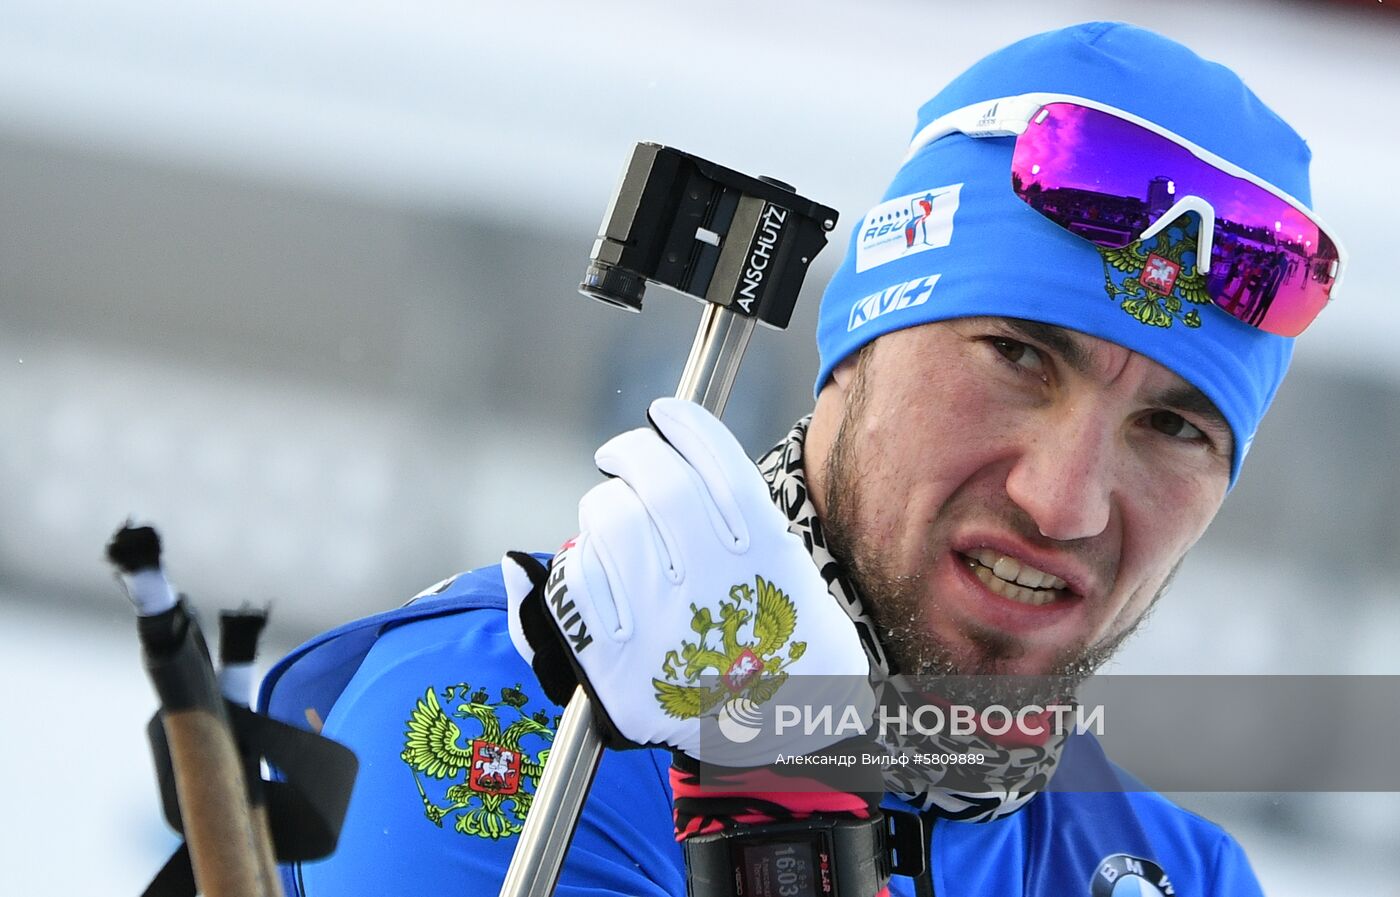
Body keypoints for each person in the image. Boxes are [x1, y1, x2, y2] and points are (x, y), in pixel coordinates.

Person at [258, 21, 1347, 897]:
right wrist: (771, 769)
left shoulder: (1168, 870)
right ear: (856, 350)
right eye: (1017, 357)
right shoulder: (499, 727)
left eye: (1174, 427)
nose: (1062, 503)